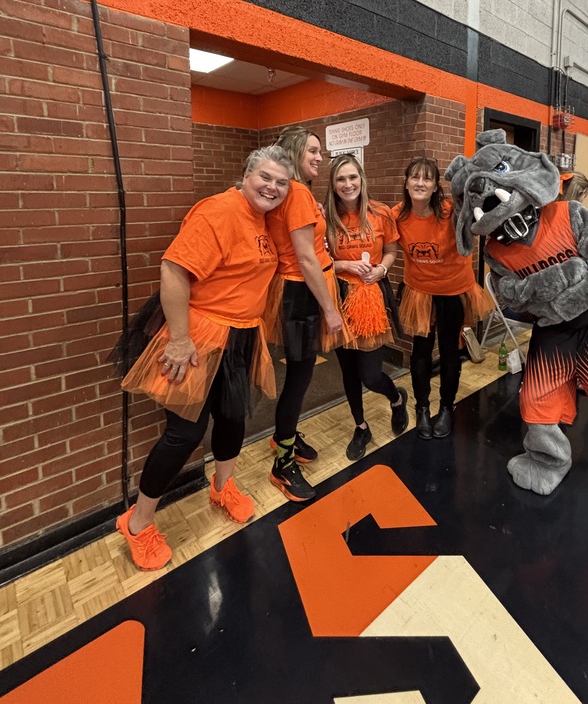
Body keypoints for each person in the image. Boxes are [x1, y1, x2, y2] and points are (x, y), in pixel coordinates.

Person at [116, 147, 293, 569]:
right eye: (265, 177)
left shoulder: (265, 219)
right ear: (245, 175)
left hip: (243, 334)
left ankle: (222, 487)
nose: (272, 187)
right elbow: (173, 271)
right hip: (200, 335)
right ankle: (137, 524)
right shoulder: (217, 211)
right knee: (184, 434)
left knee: (233, 418)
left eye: (281, 183)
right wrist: (179, 340)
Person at [266, 126, 347, 502]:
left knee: (299, 374)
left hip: (302, 290)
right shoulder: (296, 193)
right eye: (313, 150)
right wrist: (331, 309)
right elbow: (305, 258)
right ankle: (282, 462)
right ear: (295, 152)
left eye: (321, 151)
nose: (320, 157)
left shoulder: (299, 192)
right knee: (299, 379)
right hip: (301, 294)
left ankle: (285, 434)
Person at [394, 156, 491, 439]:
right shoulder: (397, 215)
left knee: (450, 352)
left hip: (453, 291)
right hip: (419, 292)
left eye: (427, 178)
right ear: (407, 182)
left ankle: (447, 408)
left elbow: (482, 216)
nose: (420, 183)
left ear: (437, 186)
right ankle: (422, 408)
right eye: (415, 177)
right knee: (420, 353)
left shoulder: (452, 211)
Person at [325, 154, 408, 460]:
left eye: (352, 177)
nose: (348, 184)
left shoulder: (381, 212)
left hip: (372, 296)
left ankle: (397, 399)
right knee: (347, 371)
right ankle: (361, 426)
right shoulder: (326, 218)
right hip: (339, 298)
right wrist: (342, 263)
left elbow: (390, 250)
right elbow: (317, 261)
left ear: (362, 178)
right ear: (333, 185)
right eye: (341, 179)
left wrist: (382, 269)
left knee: (370, 374)